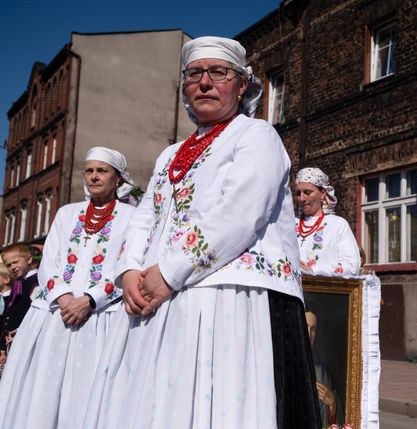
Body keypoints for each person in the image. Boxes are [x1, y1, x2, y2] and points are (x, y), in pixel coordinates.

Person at [83, 36, 321, 429]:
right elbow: (145, 216)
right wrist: (129, 270)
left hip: (231, 298)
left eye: (219, 73)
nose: (205, 82)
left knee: (220, 406)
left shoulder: (256, 136)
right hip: (159, 300)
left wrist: (169, 272)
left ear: (242, 85)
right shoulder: (170, 154)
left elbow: (241, 213)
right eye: (195, 74)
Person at [0, 147, 136, 428]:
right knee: (44, 387)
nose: (94, 177)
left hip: (101, 317)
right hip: (55, 315)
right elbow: (48, 261)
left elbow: (128, 264)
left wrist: (90, 299)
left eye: (102, 171)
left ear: (118, 178)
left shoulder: (131, 216)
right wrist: (64, 298)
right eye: (89, 170)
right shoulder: (67, 213)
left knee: (87, 389)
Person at [294, 168, 360, 276]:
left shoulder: (337, 225)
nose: (302, 198)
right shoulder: (289, 224)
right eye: (298, 193)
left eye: (307, 192)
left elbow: (352, 266)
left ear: (323, 194)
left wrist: (313, 270)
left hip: (323, 291)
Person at [305, 306, 344, 428]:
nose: (309, 334)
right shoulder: (282, 363)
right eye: (305, 326)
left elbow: (334, 401)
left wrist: (332, 404)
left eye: (313, 329)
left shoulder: (323, 370)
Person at [0, 243, 39, 357]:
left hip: (26, 341)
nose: (12, 267)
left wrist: (19, 332)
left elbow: (37, 315)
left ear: (29, 259)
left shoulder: (35, 282)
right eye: (8, 265)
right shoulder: (19, 283)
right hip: (13, 342)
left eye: (15, 262)